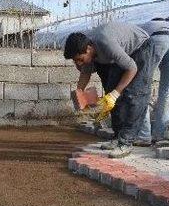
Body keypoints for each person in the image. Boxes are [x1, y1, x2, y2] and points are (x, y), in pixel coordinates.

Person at [64, 21, 161, 159]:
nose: (78, 64)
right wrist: (79, 93)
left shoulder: (106, 44)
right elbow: (85, 72)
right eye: (75, 61)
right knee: (110, 92)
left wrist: (116, 93)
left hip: (141, 48)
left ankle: (126, 142)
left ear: (88, 49)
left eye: (79, 59)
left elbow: (131, 68)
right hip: (122, 52)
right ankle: (118, 137)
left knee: (135, 94)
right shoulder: (87, 48)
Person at [136, 19, 169, 144]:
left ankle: (143, 136)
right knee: (167, 86)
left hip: (158, 39)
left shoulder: (142, 27)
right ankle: (160, 134)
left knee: (143, 85)